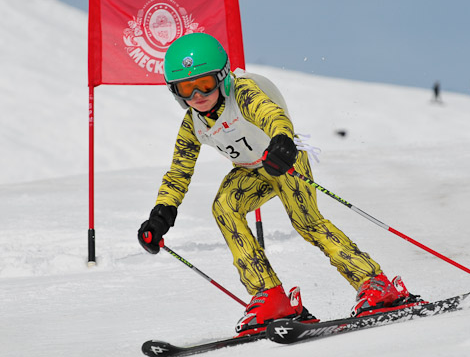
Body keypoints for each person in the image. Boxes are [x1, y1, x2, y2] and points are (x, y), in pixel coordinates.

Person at [137, 33, 418, 335]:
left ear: (222, 77)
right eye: (185, 89)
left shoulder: (242, 92)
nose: (197, 96)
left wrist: (282, 141)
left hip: (282, 160)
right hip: (252, 171)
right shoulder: (193, 123)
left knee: (307, 223)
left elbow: (271, 114)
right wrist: (161, 214)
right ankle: (270, 296)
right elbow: (179, 172)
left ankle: (376, 284)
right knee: (224, 206)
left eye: (204, 84)